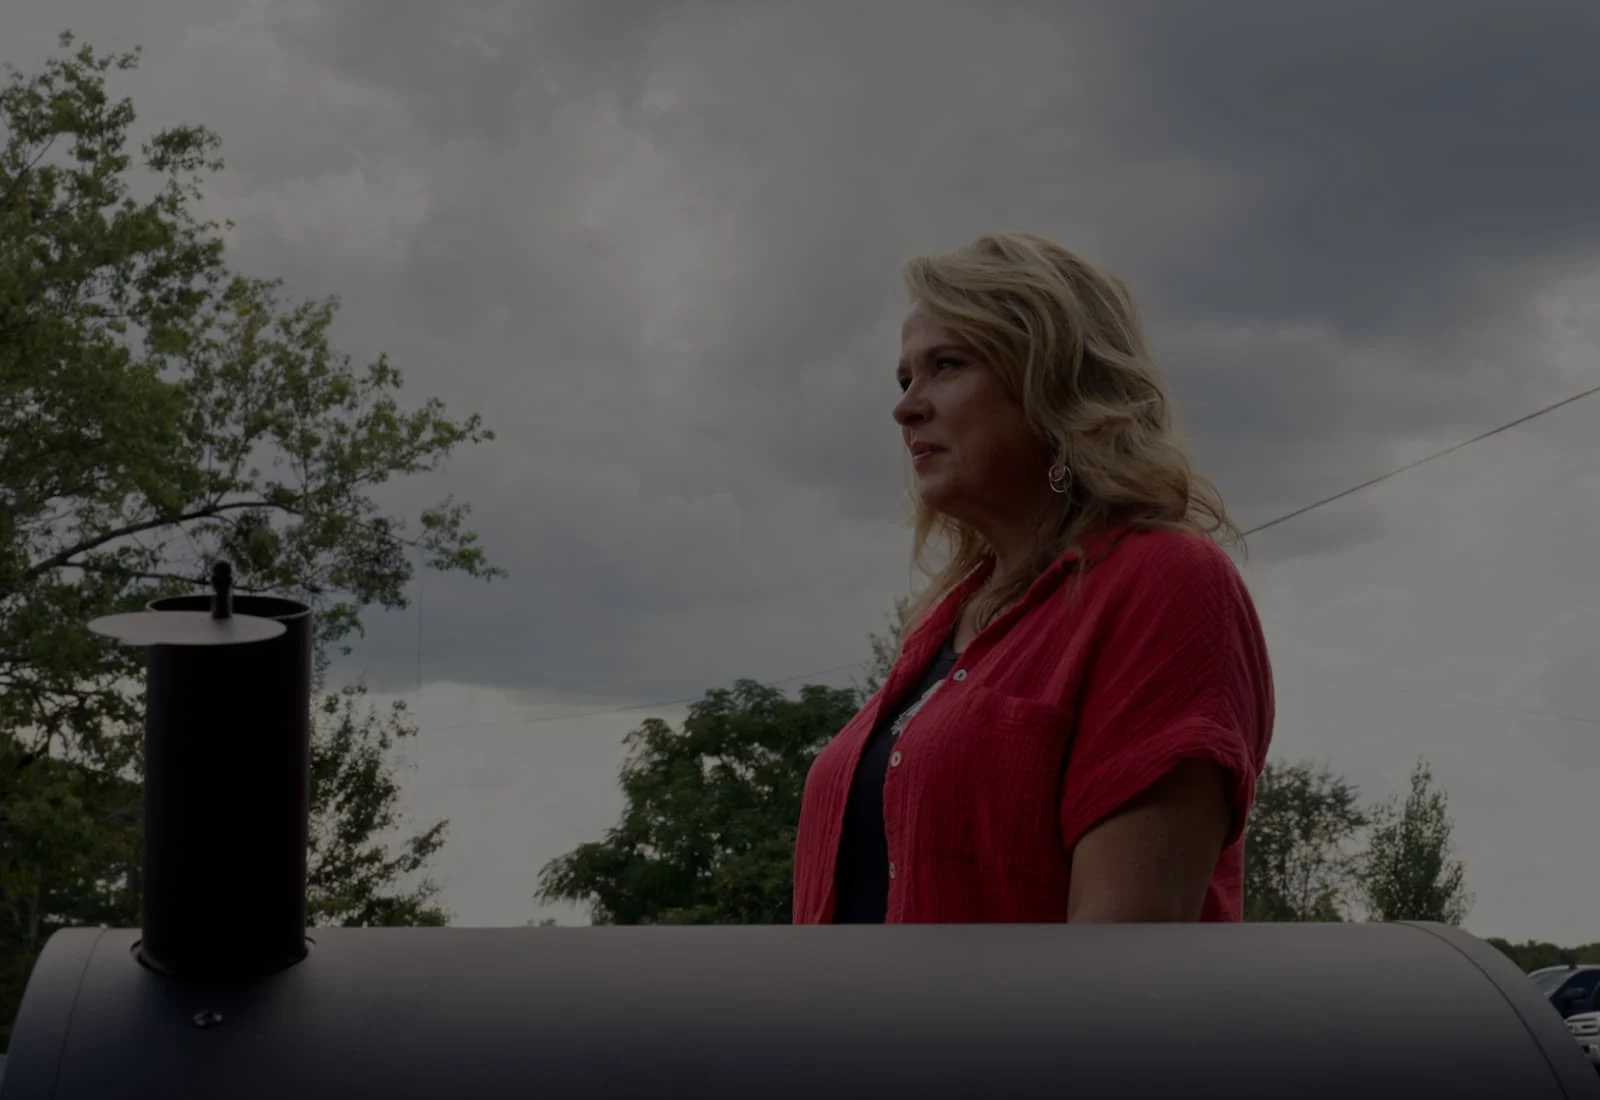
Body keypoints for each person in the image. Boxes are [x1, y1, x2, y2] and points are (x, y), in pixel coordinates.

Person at [792, 232, 1274, 924]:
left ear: (1055, 384)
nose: (906, 408)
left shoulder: (1165, 581)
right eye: (904, 380)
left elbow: (1123, 957)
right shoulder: (945, 621)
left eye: (947, 365)